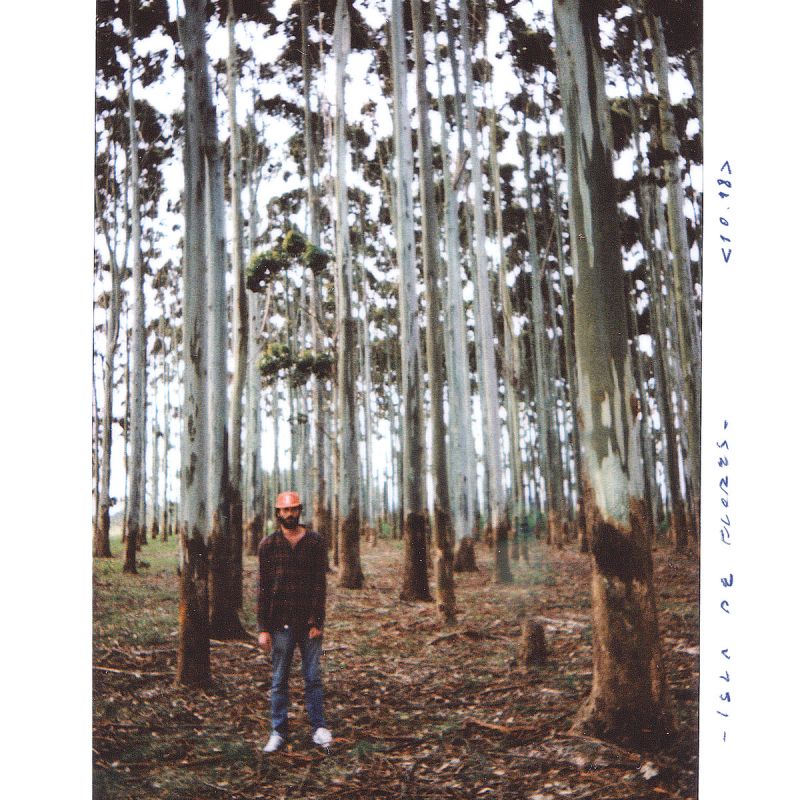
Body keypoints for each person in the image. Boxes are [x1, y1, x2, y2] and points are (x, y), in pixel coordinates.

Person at [257, 490, 332, 753]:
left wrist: (317, 621)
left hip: (309, 623)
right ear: (278, 513)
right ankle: (278, 731)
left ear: (300, 510)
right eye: (285, 510)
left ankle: (319, 728)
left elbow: (319, 585)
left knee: (312, 677)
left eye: (294, 509)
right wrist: (263, 628)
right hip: (280, 623)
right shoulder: (268, 545)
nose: (289, 514)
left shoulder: (315, 542)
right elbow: (263, 588)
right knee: (279, 679)